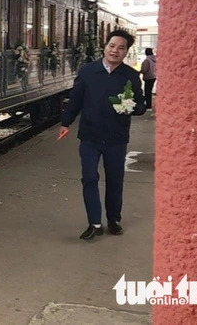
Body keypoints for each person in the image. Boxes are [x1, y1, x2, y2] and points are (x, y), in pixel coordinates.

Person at [58, 30, 146, 240]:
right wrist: (66, 123)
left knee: (115, 180)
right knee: (89, 178)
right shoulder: (88, 71)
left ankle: (113, 219)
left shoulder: (131, 76)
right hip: (90, 136)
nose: (115, 50)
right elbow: (76, 99)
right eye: (112, 46)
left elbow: (142, 105)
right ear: (105, 47)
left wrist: (131, 107)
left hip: (116, 138)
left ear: (126, 52)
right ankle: (94, 223)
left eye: (121, 48)